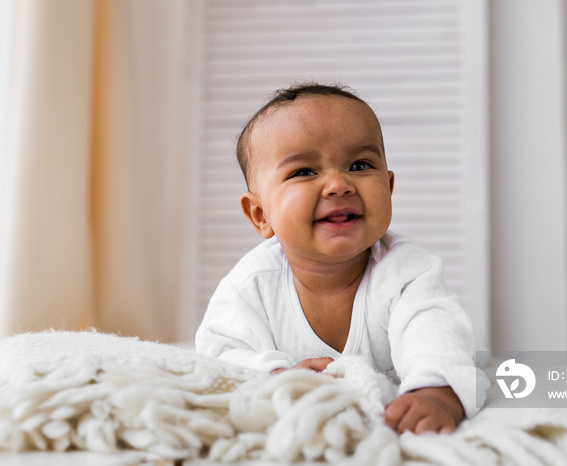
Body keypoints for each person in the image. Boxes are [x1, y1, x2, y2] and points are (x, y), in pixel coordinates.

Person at [195, 83, 481, 434]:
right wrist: (275, 377)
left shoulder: (406, 271)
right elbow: (217, 357)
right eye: (304, 171)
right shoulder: (250, 287)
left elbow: (436, 332)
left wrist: (435, 392)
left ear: (388, 187)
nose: (338, 185)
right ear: (260, 215)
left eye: (360, 165)